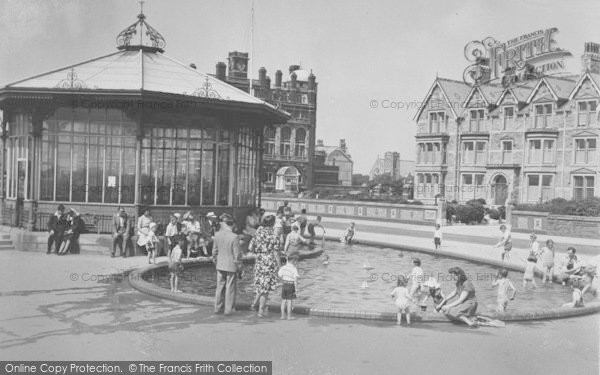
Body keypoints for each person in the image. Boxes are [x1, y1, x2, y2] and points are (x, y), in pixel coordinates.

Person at [248, 215, 282, 317]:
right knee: (265, 289)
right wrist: (280, 267)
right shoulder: (274, 237)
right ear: (273, 224)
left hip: (259, 262)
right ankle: (260, 312)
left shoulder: (257, 234)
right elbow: (276, 254)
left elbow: (250, 248)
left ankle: (254, 304)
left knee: (261, 286)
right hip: (269, 262)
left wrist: (258, 252)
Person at [213, 214, 242, 315]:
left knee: (219, 287)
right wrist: (240, 268)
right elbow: (237, 255)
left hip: (220, 264)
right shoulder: (234, 237)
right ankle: (228, 309)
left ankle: (217, 307)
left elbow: (214, 252)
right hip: (231, 265)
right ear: (233, 225)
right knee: (230, 288)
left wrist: (216, 261)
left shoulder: (217, 234)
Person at [278, 255, 299, 320]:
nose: (296, 263)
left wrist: (283, 279)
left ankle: (282, 316)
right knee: (289, 301)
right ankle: (289, 316)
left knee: (283, 300)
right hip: (291, 285)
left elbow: (279, 275)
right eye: (296, 262)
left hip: (284, 284)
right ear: (293, 261)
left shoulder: (283, 267)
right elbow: (295, 279)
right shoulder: (294, 269)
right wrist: (296, 289)